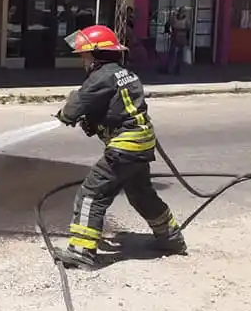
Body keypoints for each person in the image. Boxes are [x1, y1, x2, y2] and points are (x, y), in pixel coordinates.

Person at [52, 24, 187, 270]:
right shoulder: (126, 74)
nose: (83, 60)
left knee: (92, 194)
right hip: (142, 143)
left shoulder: (98, 78)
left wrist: (65, 114)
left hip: (124, 146)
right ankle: (172, 239)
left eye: (84, 55)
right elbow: (115, 106)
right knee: (141, 195)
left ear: (96, 54)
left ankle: (81, 251)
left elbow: (73, 109)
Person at [162, 6, 191, 74]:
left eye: (183, 11)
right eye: (182, 11)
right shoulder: (174, 18)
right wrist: (168, 31)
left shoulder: (186, 20)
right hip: (174, 36)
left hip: (182, 37)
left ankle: (178, 69)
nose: (182, 12)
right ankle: (169, 68)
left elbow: (188, 29)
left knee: (180, 54)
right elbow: (167, 24)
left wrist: (187, 39)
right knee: (172, 53)